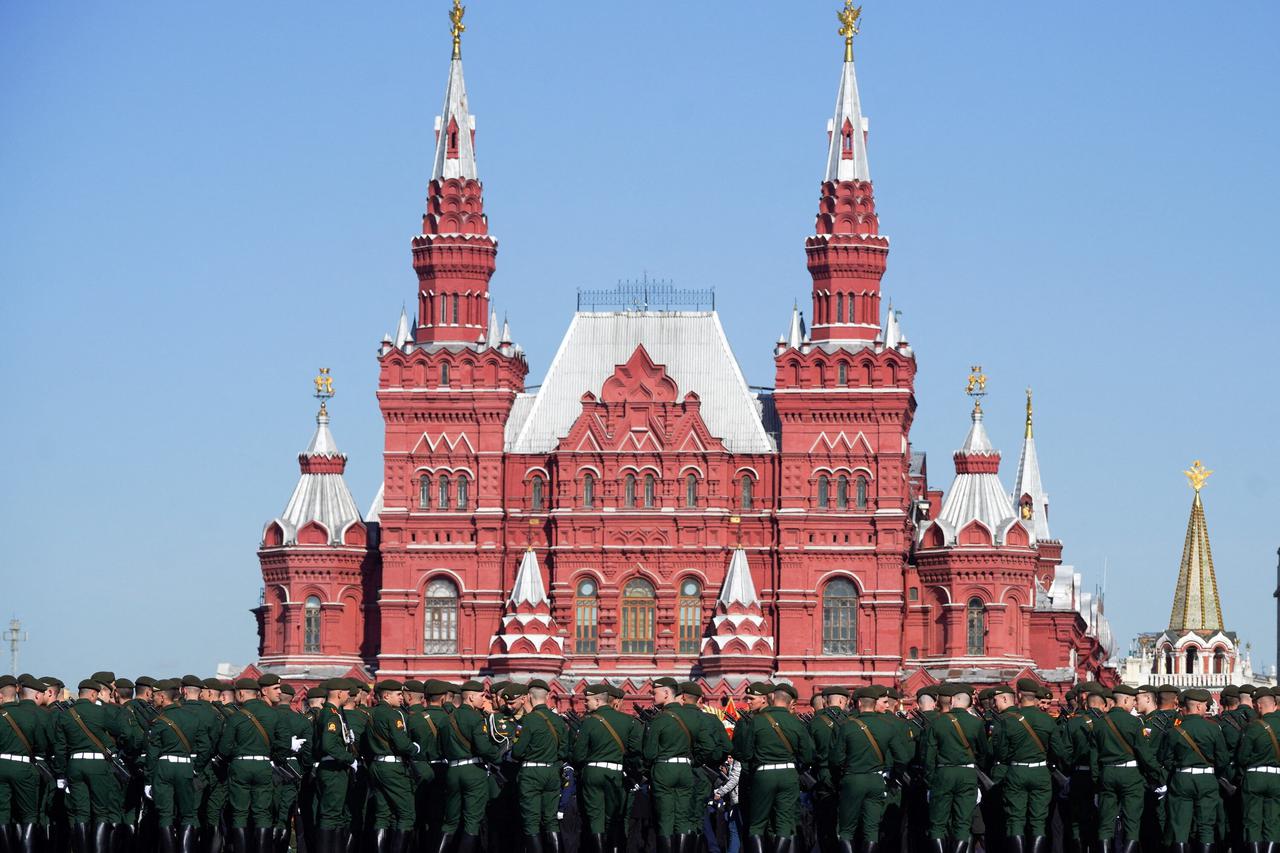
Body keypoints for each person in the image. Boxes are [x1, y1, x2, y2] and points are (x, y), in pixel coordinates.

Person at [829, 685, 911, 852]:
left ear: (859, 703)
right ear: (875, 703)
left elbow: (836, 760)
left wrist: (840, 779)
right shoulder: (888, 726)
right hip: (876, 779)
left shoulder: (847, 726)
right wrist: (895, 776)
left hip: (852, 779)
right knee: (872, 830)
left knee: (846, 830)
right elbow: (902, 757)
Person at [51, 678, 129, 853]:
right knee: (101, 812)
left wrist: (62, 773)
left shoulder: (65, 715)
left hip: (74, 764)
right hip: (97, 765)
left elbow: (60, 748)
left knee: (81, 812)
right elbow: (119, 730)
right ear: (94, 694)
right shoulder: (100, 712)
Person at [736, 683, 815, 853]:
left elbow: (746, 754)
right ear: (790, 702)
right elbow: (808, 755)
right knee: (784, 824)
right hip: (788, 774)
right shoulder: (796, 723)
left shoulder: (756, 721)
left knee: (756, 824)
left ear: (771, 698)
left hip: (763, 774)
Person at [217, 677, 286, 853]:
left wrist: (238, 753)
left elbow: (224, 748)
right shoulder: (274, 714)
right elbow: (284, 744)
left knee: (239, 814)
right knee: (263, 814)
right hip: (264, 765)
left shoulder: (236, 716)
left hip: (240, 766)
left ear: (240, 693)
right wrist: (273, 756)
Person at [990, 680, 1057, 853]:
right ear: (1036, 696)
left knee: (1015, 820)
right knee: (1039, 820)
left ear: (1019, 695)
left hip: (1016, 771)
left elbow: (1001, 754)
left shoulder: (1009, 720)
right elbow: (1058, 750)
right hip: (1041, 771)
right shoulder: (1048, 720)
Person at [148, 678, 213, 853]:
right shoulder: (192, 718)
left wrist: (149, 779)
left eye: (155, 695)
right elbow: (206, 747)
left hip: (164, 768)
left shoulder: (159, 720)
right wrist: (196, 767)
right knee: (188, 814)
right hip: (186, 767)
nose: (152, 698)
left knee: (165, 815)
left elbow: (153, 753)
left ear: (162, 697)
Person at [1159, 688, 1229, 849]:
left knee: (1180, 828)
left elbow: (1166, 759)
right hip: (1206, 779)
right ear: (1198, 707)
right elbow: (1223, 759)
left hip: (1181, 778)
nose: (1207, 709)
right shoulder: (1213, 729)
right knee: (1206, 827)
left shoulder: (1174, 731)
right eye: (1205, 706)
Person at [921, 683, 988, 853]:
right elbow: (983, 752)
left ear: (951, 701)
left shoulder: (936, 722)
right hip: (967, 773)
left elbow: (928, 757)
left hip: (943, 773)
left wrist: (930, 781)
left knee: (937, 823)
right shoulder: (976, 723)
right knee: (963, 822)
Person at [573, 684, 640, 853]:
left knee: (595, 818)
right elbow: (635, 751)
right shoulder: (628, 721)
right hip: (616, 773)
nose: (585, 704)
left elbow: (578, 755)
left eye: (587, 700)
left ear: (597, 700)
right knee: (615, 818)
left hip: (593, 772)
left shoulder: (589, 722)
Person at [439, 680, 502, 853]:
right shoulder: (475, 717)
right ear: (471, 697)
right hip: (473, 771)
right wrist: (497, 754)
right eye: (482, 696)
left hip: (452, 770)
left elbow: (440, 748)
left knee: (450, 821)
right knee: (472, 820)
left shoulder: (447, 719)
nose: (484, 699)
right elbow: (483, 748)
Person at [643, 677, 701, 853]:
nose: (653, 696)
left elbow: (649, 753)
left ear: (667, 693)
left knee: (666, 819)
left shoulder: (660, 719)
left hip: (664, 770)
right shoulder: (692, 717)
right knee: (683, 819)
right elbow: (703, 747)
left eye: (655, 692)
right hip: (685, 769)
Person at [512, 679, 570, 853]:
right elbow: (564, 751)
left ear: (529, 696)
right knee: (551, 819)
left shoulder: (529, 720)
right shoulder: (558, 720)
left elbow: (517, 751)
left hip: (532, 773)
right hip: (552, 772)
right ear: (547, 697)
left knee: (531, 820)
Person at [0, 674, 50, 853]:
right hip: (23, 767)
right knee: (28, 815)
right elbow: (41, 746)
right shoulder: (30, 715)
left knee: (3, 814)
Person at [1235, 686, 1280, 848]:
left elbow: (1242, 757)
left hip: (1255, 777)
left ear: (1258, 706)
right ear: (1274, 704)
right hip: (1277, 778)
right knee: (1273, 822)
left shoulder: (1253, 726)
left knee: (1252, 821)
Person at [808, 686, 849, 853]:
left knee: (825, 824)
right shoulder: (852, 720)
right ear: (842, 700)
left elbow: (808, 754)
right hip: (847, 776)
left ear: (825, 701)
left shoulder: (815, 722)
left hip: (823, 777)